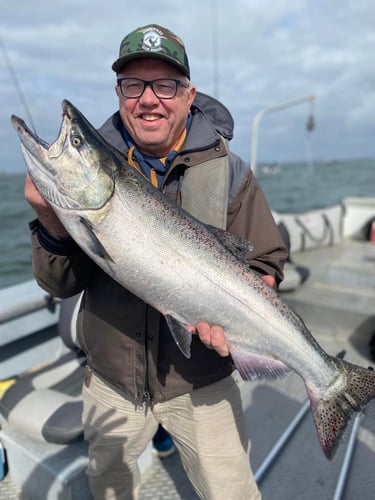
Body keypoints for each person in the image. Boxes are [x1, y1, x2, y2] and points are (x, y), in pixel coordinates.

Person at [24, 24, 288, 500]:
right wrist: (52, 217)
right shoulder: (97, 180)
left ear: (188, 96)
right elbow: (60, 285)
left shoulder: (230, 172)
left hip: (201, 383)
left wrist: (250, 302)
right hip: (111, 383)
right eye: (133, 85)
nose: (149, 99)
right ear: (119, 94)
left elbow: (266, 258)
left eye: (165, 85)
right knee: (108, 488)